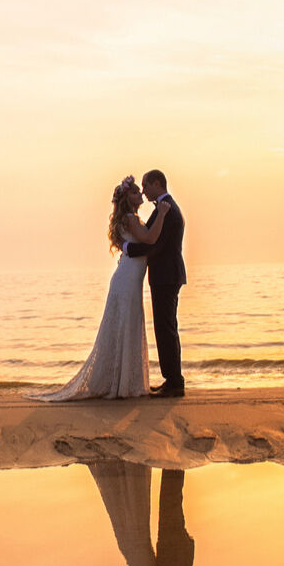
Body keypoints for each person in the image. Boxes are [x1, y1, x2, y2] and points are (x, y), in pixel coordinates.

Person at [28, 175, 172, 401]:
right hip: (127, 280)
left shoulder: (131, 217)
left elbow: (137, 243)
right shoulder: (130, 219)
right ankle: (121, 384)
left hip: (129, 279)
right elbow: (150, 238)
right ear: (128, 198)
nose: (141, 193)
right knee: (125, 325)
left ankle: (121, 381)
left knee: (126, 325)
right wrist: (162, 214)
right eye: (136, 191)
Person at [121, 169, 186, 397]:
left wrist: (129, 249)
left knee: (165, 328)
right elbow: (151, 236)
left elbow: (154, 245)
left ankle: (175, 382)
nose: (144, 191)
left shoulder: (167, 209)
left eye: (146, 186)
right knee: (166, 327)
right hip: (166, 276)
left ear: (157, 183)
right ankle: (172, 379)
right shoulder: (164, 207)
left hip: (166, 276)